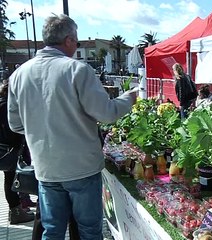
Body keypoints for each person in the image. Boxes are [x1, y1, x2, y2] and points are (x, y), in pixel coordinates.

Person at [7, 14, 137, 239]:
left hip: (46, 168)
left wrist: (40, 128)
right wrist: (129, 98)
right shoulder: (77, 69)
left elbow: (15, 124)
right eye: (76, 41)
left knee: (52, 230)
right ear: (68, 40)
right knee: (88, 231)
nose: (76, 45)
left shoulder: (19, 74)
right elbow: (106, 113)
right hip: (81, 168)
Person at [0, 80, 34, 225]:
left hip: (4, 149)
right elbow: (12, 129)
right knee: (11, 178)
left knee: (10, 178)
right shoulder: (6, 106)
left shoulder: (2, 103)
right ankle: (16, 212)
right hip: (7, 149)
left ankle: (16, 210)